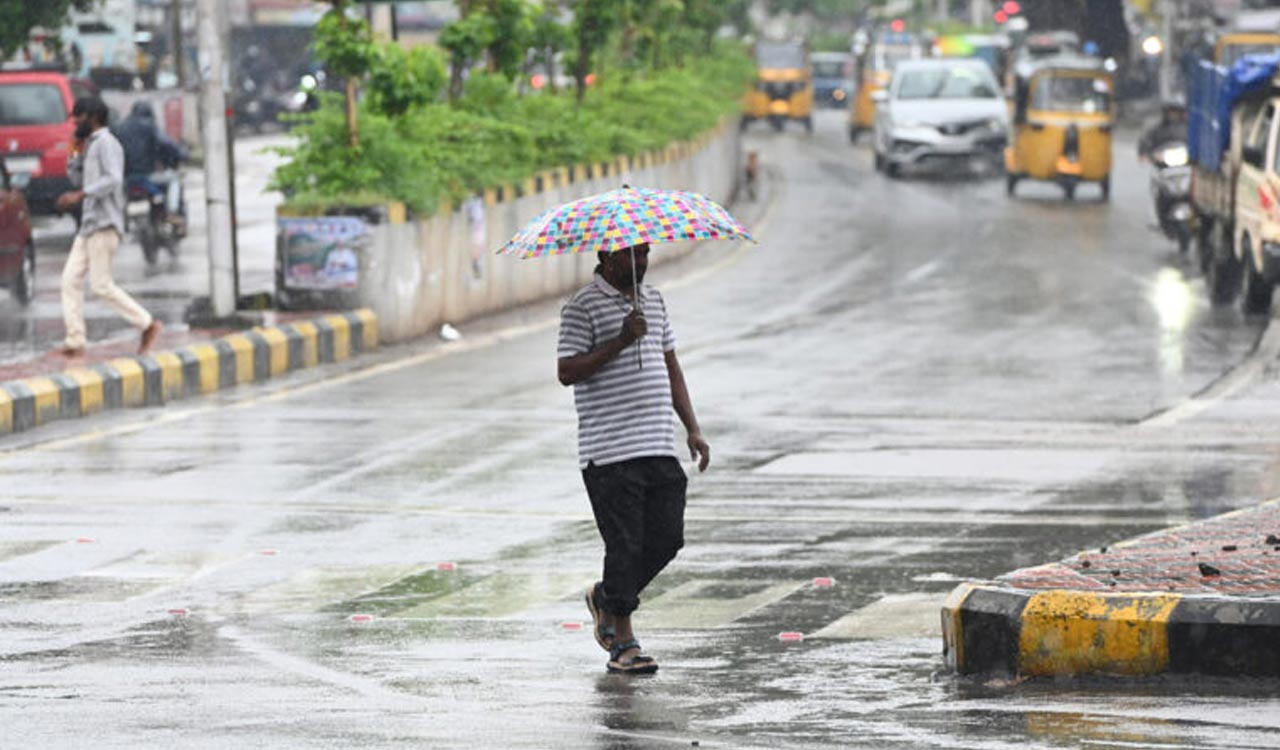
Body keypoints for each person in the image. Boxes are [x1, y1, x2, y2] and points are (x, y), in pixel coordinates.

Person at [557, 243, 711, 675]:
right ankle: (624, 643)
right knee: (624, 544)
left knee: (667, 538)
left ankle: (607, 598)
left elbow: (670, 365)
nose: (640, 262)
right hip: (609, 451)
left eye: (644, 253)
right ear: (606, 257)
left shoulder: (654, 301)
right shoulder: (581, 307)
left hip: (658, 443)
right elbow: (567, 371)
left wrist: (692, 427)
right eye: (630, 255)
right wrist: (621, 341)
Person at [56, 97, 163, 357]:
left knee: (101, 285)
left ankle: (147, 324)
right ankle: (75, 339)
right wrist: (74, 153)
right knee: (69, 280)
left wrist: (81, 195)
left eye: (78, 117)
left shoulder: (107, 143)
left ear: (93, 117)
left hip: (105, 224)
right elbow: (77, 178)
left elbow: (113, 179)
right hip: (89, 226)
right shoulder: (90, 145)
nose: (75, 123)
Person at [112, 101, 186, 231]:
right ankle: (172, 212)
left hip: (125, 178)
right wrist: (182, 154)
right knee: (175, 179)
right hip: (147, 176)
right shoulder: (149, 126)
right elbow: (167, 144)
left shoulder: (118, 128)